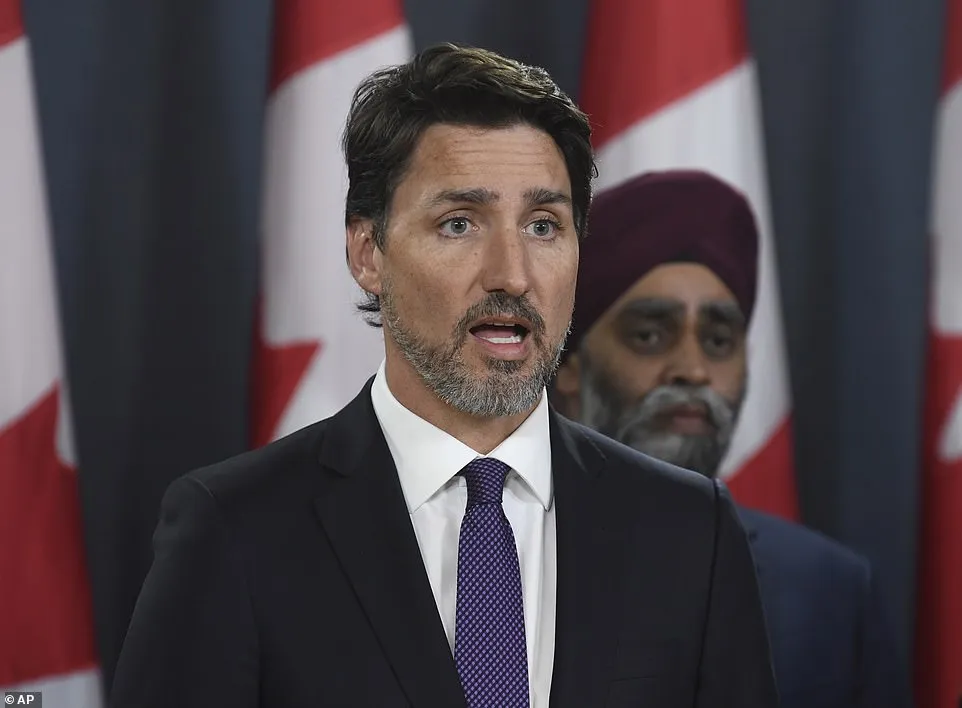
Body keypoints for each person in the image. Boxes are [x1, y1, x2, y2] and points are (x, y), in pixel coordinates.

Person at [110, 46, 778, 708]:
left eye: (543, 226)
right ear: (368, 254)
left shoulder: (690, 531)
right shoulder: (235, 529)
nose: (512, 275)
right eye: (459, 224)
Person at [551, 168, 913, 708]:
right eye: (649, 335)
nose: (693, 370)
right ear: (568, 366)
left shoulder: (830, 592)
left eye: (719, 340)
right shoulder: (490, 554)